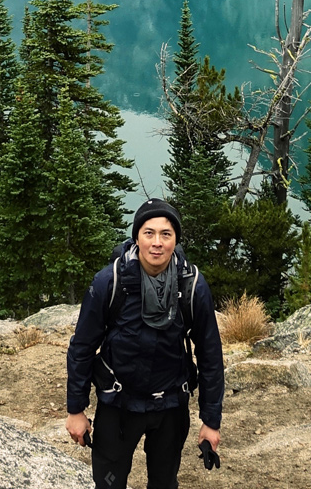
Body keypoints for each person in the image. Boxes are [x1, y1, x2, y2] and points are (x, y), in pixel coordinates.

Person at [65, 197, 224, 488]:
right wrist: (76, 410)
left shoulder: (191, 286)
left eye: (166, 234)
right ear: (137, 236)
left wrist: (211, 421)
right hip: (118, 404)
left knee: (164, 483)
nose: (157, 242)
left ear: (175, 240)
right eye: (149, 233)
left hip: (171, 406)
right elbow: (82, 347)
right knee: (109, 484)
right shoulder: (110, 282)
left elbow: (210, 354)